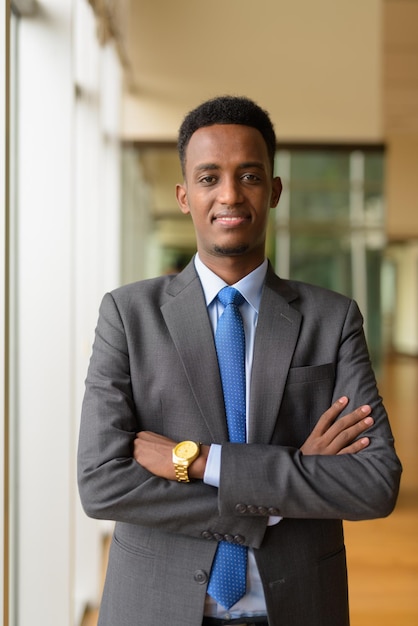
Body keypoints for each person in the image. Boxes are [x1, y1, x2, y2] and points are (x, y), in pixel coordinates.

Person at [77, 95, 402, 626]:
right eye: (209, 178)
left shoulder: (332, 319)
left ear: (274, 191)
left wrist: (200, 462)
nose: (229, 194)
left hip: (296, 605)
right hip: (155, 607)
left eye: (248, 175)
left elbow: (374, 483)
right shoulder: (127, 315)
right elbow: (100, 482)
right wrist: (282, 491)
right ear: (184, 195)